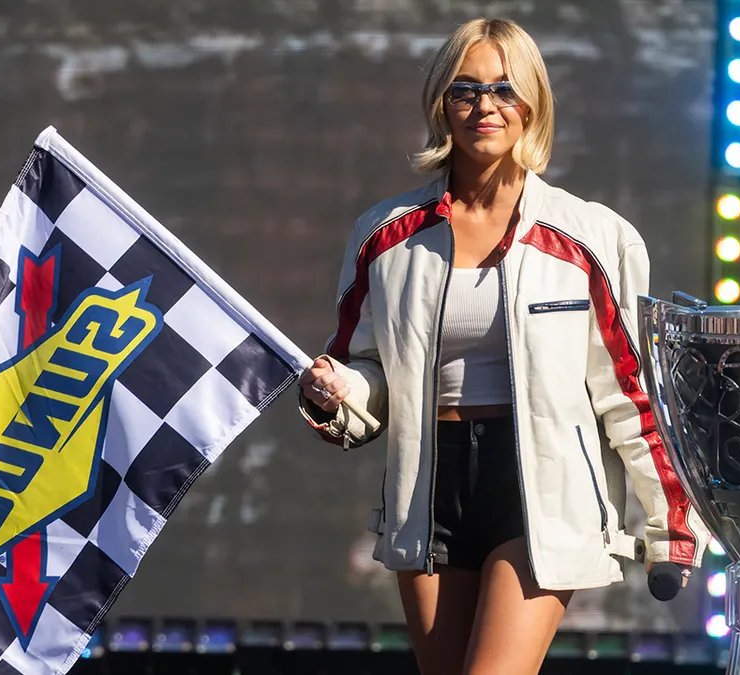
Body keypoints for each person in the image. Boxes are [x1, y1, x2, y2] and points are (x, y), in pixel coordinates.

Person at [298, 17, 710, 675]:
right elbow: (366, 369)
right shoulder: (385, 235)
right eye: (465, 90)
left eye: (503, 89)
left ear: (532, 102)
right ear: (441, 103)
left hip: (538, 490)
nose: (484, 106)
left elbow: (632, 395)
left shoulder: (590, 236)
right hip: (428, 487)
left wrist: (672, 528)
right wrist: (337, 391)